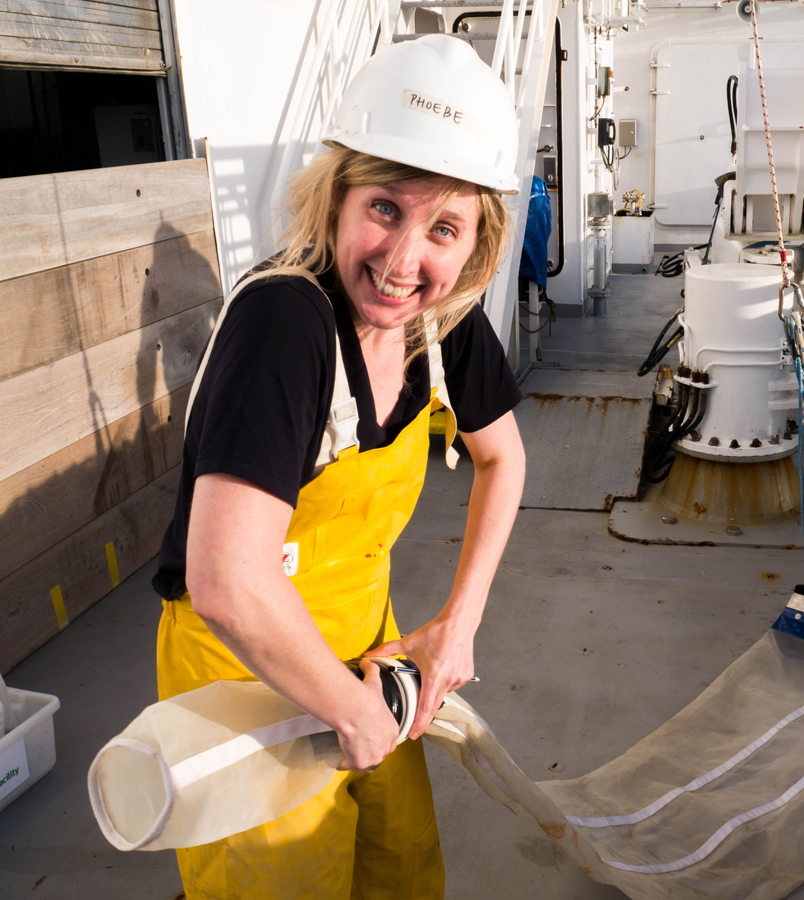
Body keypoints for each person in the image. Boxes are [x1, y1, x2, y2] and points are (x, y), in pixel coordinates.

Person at [149, 35, 526, 899]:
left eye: (443, 228)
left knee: (398, 869)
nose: (402, 264)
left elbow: (503, 459)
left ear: (477, 240)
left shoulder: (446, 318)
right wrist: (350, 710)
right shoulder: (285, 325)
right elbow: (227, 580)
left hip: (368, 649)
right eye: (386, 209)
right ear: (336, 196)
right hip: (243, 674)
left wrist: (459, 623)